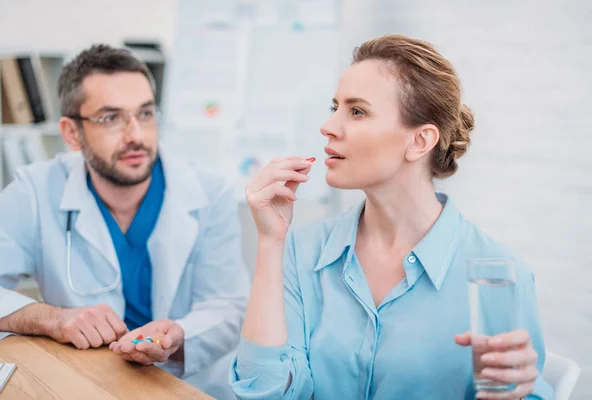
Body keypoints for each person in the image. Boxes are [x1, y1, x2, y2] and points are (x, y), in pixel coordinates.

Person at [229, 35, 553, 399]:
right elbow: (265, 392)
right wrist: (270, 242)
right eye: (334, 106)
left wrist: (519, 393)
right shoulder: (300, 251)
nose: (328, 126)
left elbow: (518, 387)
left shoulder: (498, 275)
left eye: (356, 111)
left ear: (419, 142)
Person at [0, 44, 249, 399]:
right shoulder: (35, 191)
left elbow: (228, 305)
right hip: (82, 385)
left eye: (144, 114)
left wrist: (178, 336)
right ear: (71, 133)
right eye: (111, 117)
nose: (136, 136)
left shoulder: (207, 191)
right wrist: (51, 318)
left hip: (189, 387)